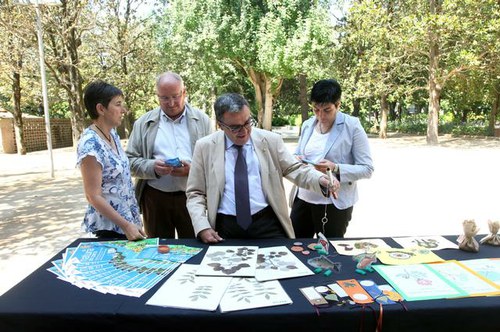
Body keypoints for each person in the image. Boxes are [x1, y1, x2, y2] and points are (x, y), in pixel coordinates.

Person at [186, 92, 339, 244]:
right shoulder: (205, 147)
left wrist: (320, 179)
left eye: (247, 123)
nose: (244, 131)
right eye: (235, 127)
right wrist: (202, 227)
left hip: (267, 224)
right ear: (220, 125)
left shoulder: (270, 141)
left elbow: (294, 168)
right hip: (225, 228)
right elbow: (195, 193)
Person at [126, 72, 212, 239]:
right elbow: (128, 162)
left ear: (184, 92)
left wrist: (193, 169)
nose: (171, 103)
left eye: (176, 96)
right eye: (165, 98)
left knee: (193, 247)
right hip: (155, 198)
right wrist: (152, 167)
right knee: (158, 251)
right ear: (157, 96)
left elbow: (214, 161)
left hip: (192, 197)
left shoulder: (202, 120)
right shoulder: (143, 123)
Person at [290, 78, 374, 238]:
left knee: (330, 253)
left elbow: (367, 169)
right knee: (297, 248)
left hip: (334, 203)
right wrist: (297, 158)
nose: (320, 116)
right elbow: (297, 154)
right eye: (316, 110)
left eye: (327, 110)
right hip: (303, 199)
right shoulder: (308, 125)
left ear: (338, 104)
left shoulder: (352, 126)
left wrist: (335, 168)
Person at [77, 80, 145, 241]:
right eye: (118, 104)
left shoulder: (112, 134)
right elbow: (93, 196)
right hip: (111, 228)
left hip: (128, 223)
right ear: (101, 109)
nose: (124, 110)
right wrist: (125, 225)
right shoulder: (90, 144)